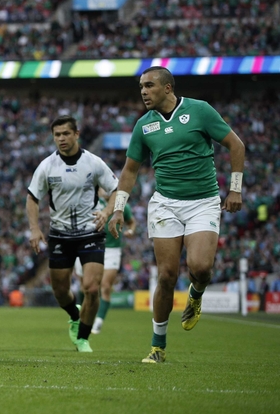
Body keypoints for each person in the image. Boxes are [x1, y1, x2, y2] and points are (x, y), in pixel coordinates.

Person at [107, 66, 245, 364]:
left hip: (203, 202)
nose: (143, 91)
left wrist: (235, 189)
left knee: (201, 267)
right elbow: (130, 171)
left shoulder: (200, 111)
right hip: (166, 204)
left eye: (149, 86)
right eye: (141, 87)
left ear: (168, 88)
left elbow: (236, 145)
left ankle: (196, 294)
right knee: (167, 275)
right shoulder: (144, 125)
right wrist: (118, 209)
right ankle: (158, 347)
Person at [26, 116, 119, 353]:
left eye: (65, 134)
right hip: (60, 235)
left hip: (91, 233)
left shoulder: (93, 162)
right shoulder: (47, 166)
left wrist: (108, 211)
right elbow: (32, 198)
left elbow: (117, 189)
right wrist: (35, 228)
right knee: (59, 291)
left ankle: (83, 338)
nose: (61, 139)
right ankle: (74, 315)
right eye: (57, 135)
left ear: (76, 134)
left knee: (91, 287)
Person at [73, 189, 136, 334]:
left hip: (112, 250)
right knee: (85, 287)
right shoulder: (92, 203)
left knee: (105, 286)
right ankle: (80, 318)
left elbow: (132, 223)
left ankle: (98, 322)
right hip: (90, 246)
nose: (107, 191)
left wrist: (130, 231)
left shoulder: (122, 207)